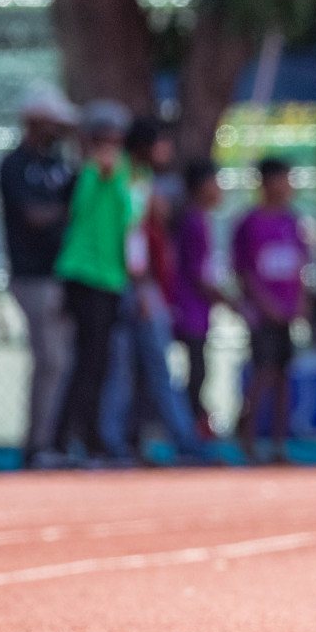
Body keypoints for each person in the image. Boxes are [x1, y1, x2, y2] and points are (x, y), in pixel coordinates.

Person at [98, 117, 207, 464]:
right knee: (140, 369)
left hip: (137, 285)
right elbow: (129, 236)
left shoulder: (141, 179)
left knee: (138, 370)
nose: (167, 151)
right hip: (131, 287)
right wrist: (141, 286)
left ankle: (126, 441)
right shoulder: (126, 178)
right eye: (162, 143)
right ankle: (128, 442)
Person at [48, 101, 133, 467]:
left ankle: (87, 436)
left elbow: (127, 219)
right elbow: (81, 211)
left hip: (110, 278)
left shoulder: (121, 172)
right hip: (85, 275)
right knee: (86, 361)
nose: (109, 145)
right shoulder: (91, 172)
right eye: (103, 138)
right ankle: (67, 438)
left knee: (98, 362)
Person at [0, 92, 77, 462]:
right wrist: (74, 210)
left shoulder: (59, 162)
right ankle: (38, 444)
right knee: (50, 360)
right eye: (53, 122)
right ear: (33, 121)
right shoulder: (15, 165)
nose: (59, 129)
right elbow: (33, 215)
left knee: (62, 359)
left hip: (62, 274)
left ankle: (56, 440)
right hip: (32, 276)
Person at [231, 156, 308, 464]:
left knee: (283, 377)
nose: (288, 187)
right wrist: (266, 305)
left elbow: (302, 266)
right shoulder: (248, 224)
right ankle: (247, 439)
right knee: (262, 374)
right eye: (283, 179)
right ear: (267, 182)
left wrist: (301, 302)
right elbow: (244, 273)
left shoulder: (292, 221)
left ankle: (279, 445)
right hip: (263, 316)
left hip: (287, 315)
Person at [172, 158, 228, 437]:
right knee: (196, 370)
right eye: (214, 183)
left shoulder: (202, 219)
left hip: (197, 310)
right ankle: (190, 428)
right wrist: (228, 300)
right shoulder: (193, 220)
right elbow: (197, 274)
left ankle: (194, 424)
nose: (220, 190)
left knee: (199, 368)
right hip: (188, 308)